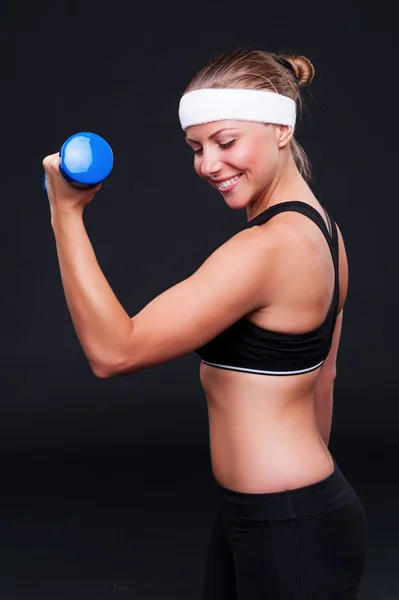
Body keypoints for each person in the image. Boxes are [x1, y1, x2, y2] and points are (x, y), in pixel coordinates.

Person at [43, 48, 368, 599]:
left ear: (282, 128)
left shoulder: (266, 249)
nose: (208, 164)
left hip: (288, 526)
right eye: (196, 148)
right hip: (278, 516)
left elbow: (113, 351)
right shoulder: (327, 236)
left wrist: (65, 214)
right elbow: (324, 379)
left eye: (226, 141)